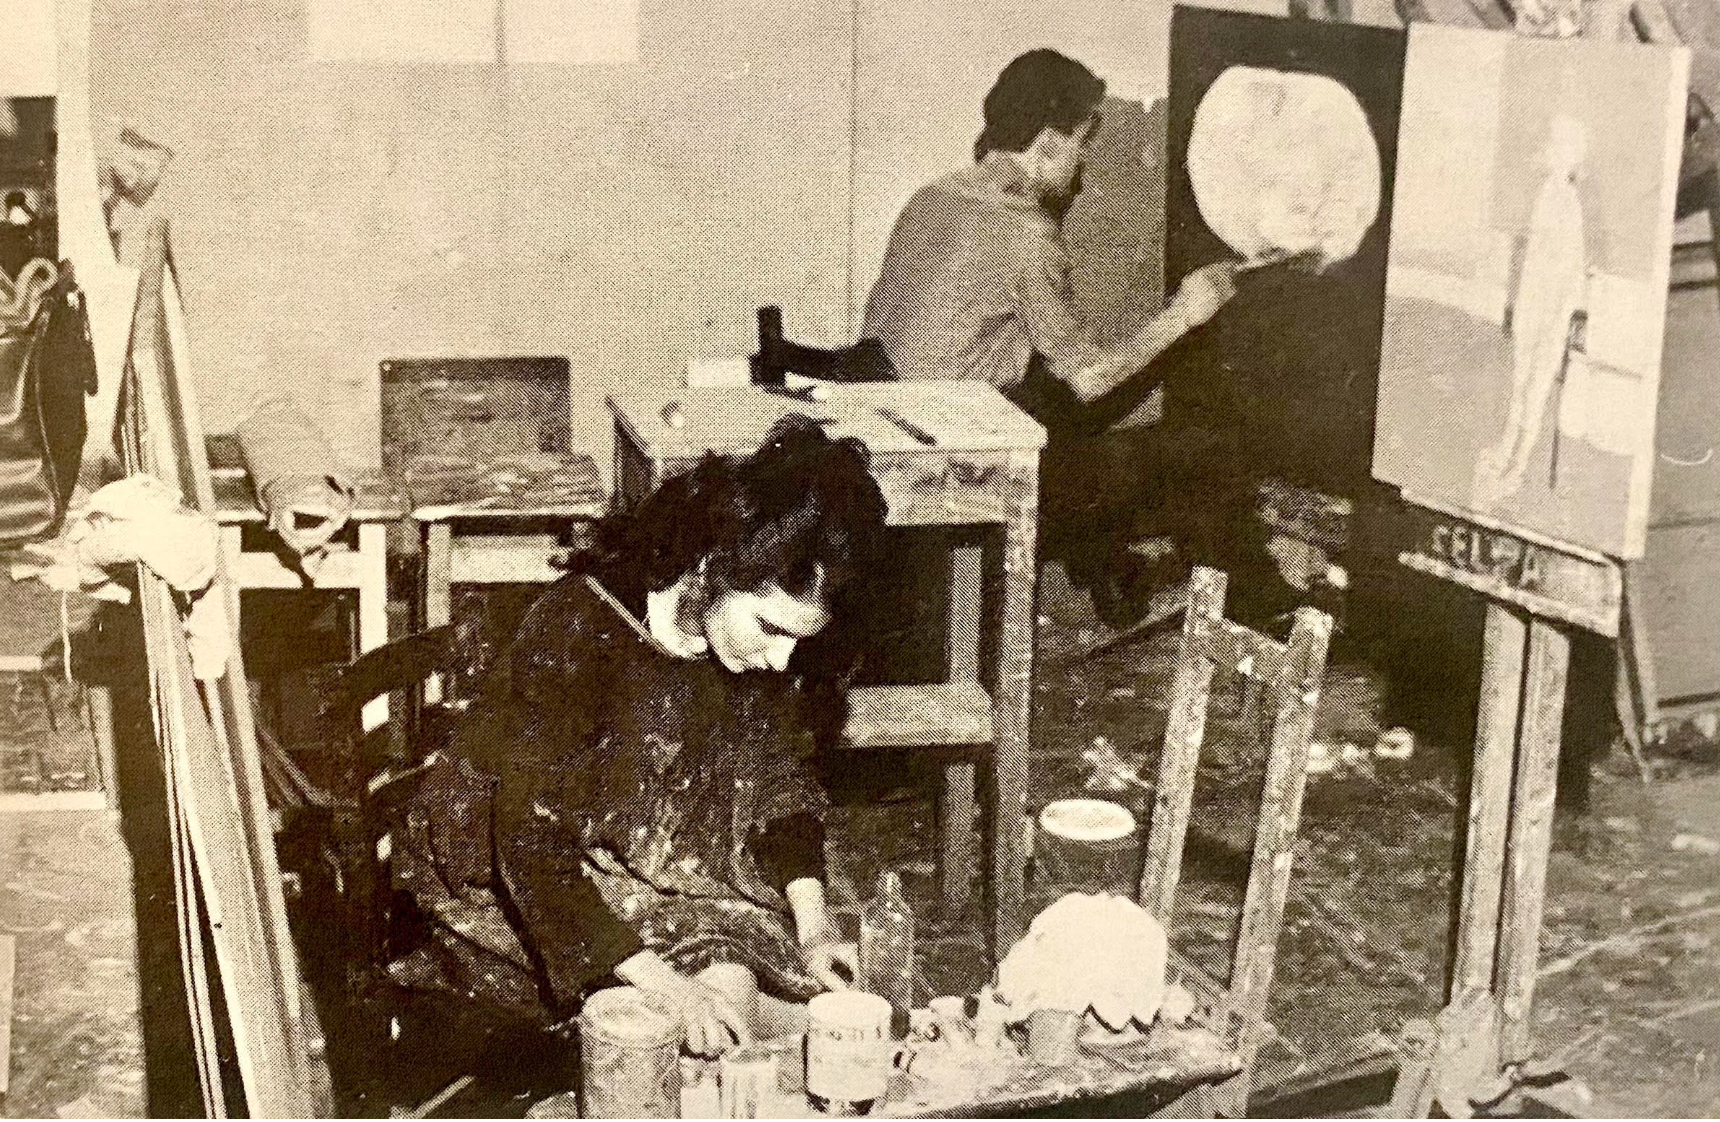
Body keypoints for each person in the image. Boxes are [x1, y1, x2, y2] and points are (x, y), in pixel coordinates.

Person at [387, 415, 889, 1058]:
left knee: (775, 977)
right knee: (691, 1017)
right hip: (506, 879)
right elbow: (528, 844)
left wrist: (815, 930)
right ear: (714, 567)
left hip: (642, 849)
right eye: (770, 627)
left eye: (799, 637)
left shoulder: (746, 649)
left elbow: (775, 783)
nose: (781, 658)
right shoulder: (581, 629)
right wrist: (673, 989)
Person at [861, 48, 1242, 625]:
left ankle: (1107, 570)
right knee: (1204, 451)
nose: (1085, 161)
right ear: (1046, 144)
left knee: (1054, 402)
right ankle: (1248, 610)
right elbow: (1088, 378)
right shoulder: (1026, 233)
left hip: (902, 425)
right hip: (962, 465)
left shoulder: (935, 196)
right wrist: (1184, 314)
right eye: (1082, 142)